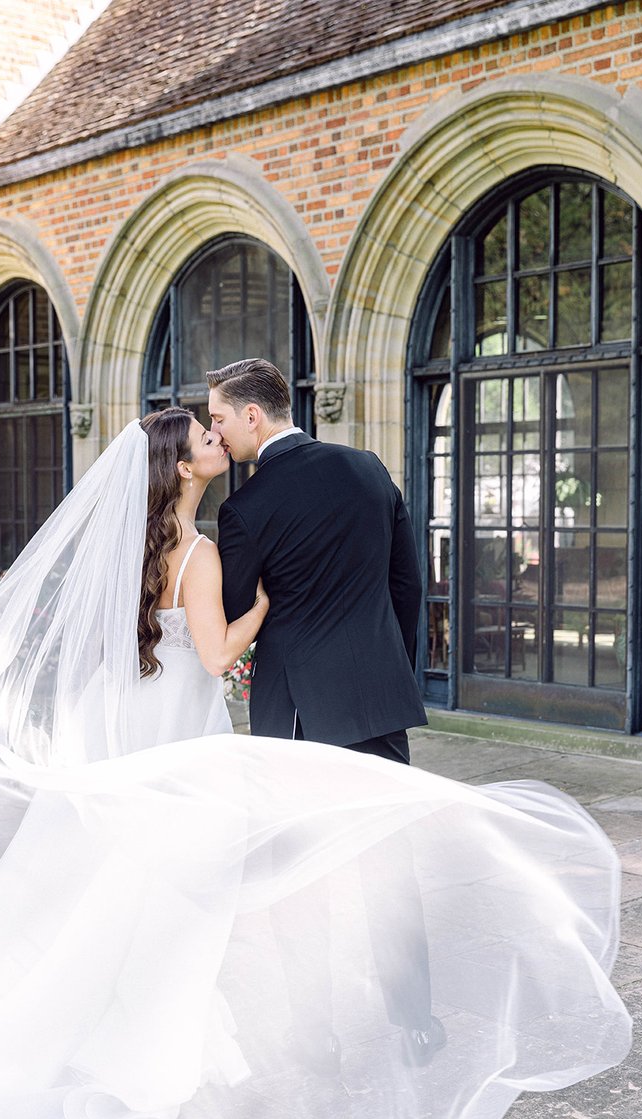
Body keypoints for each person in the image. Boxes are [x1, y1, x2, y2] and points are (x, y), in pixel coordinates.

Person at [0, 411, 630, 1119]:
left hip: (132, 718)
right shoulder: (199, 551)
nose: (216, 440)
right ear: (181, 467)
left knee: (122, 882)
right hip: (178, 734)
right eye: (203, 436)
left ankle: (103, 1025)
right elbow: (214, 654)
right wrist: (261, 611)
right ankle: (157, 1041)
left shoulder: (132, 544)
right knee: (180, 884)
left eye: (216, 426)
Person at [208, 358, 440, 1074]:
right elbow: (408, 584)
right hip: (376, 698)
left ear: (253, 415)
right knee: (388, 866)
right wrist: (385, 668)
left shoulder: (244, 509)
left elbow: (238, 608)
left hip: (298, 712)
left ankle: (319, 1036)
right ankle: (416, 1024)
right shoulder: (367, 468)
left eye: (218, 418)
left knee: (299, 877)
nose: (215, 432)